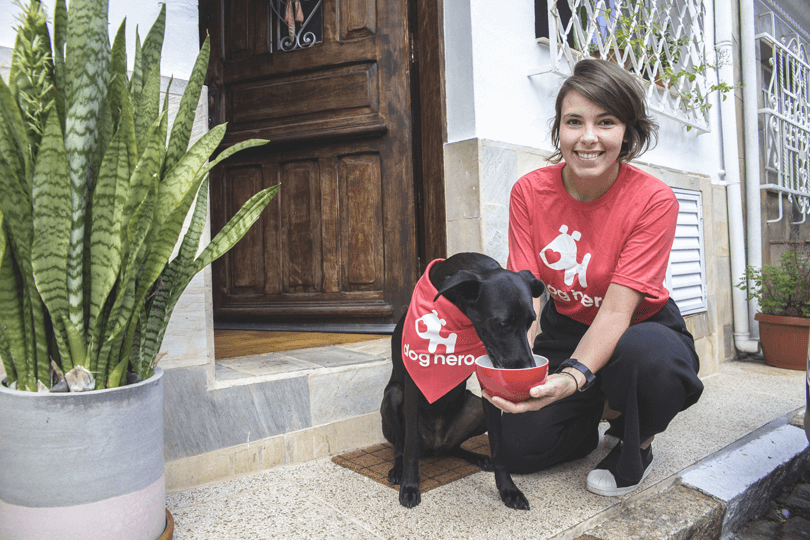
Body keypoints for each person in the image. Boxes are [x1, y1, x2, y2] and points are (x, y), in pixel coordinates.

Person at [482, 59, 704, 497]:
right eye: (573, 122)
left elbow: (619, 310)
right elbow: (529, 295)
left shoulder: (653, 199)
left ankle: (634, 437)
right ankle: (590, 415)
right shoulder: (529, 192)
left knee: (650, 361)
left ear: (627, 132)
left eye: (606, 122)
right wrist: (521, 370)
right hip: (568, 328)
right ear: (558, 131)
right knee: (518, 449)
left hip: (641, 329)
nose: (588, 137)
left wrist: (572, 377)